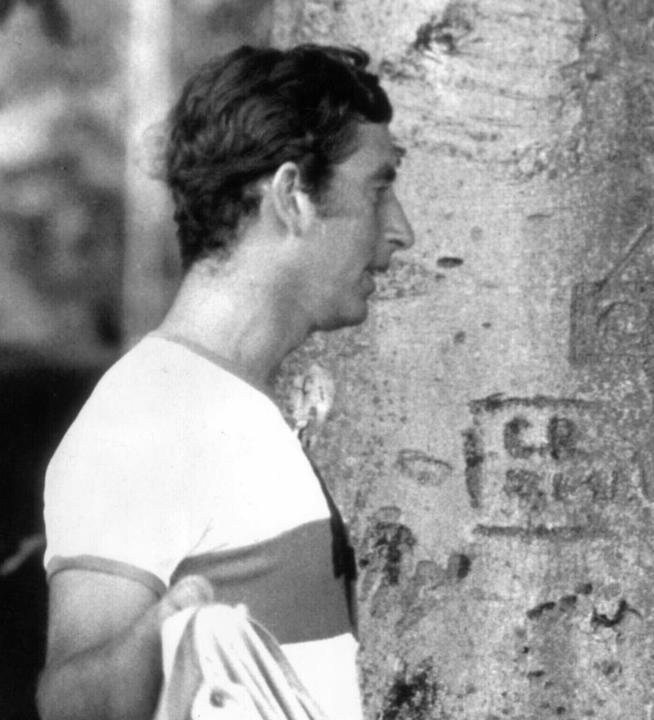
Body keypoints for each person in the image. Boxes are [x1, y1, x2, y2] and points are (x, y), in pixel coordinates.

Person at [38, 43, 415, 720]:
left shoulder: (241, 402)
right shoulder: (146, 420)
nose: (402, 231)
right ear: (291, 196)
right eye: (379, 189)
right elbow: (69, 704)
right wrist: (169, 634)